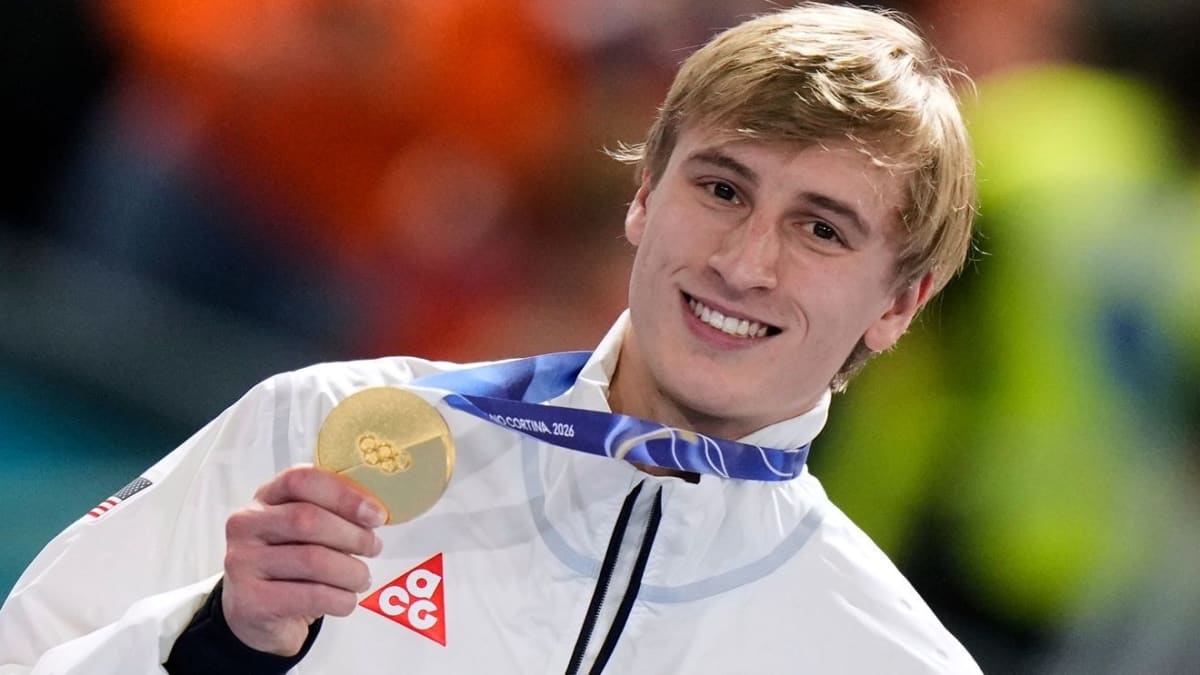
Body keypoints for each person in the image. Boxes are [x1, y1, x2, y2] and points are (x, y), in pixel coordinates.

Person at [0, 3, 981, 673]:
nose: (746, 262)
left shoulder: (885, 656)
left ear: (900, 302)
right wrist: (216, 641)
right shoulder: (324, 430)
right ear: (644, 198)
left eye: (821, 229)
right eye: (721, 189)